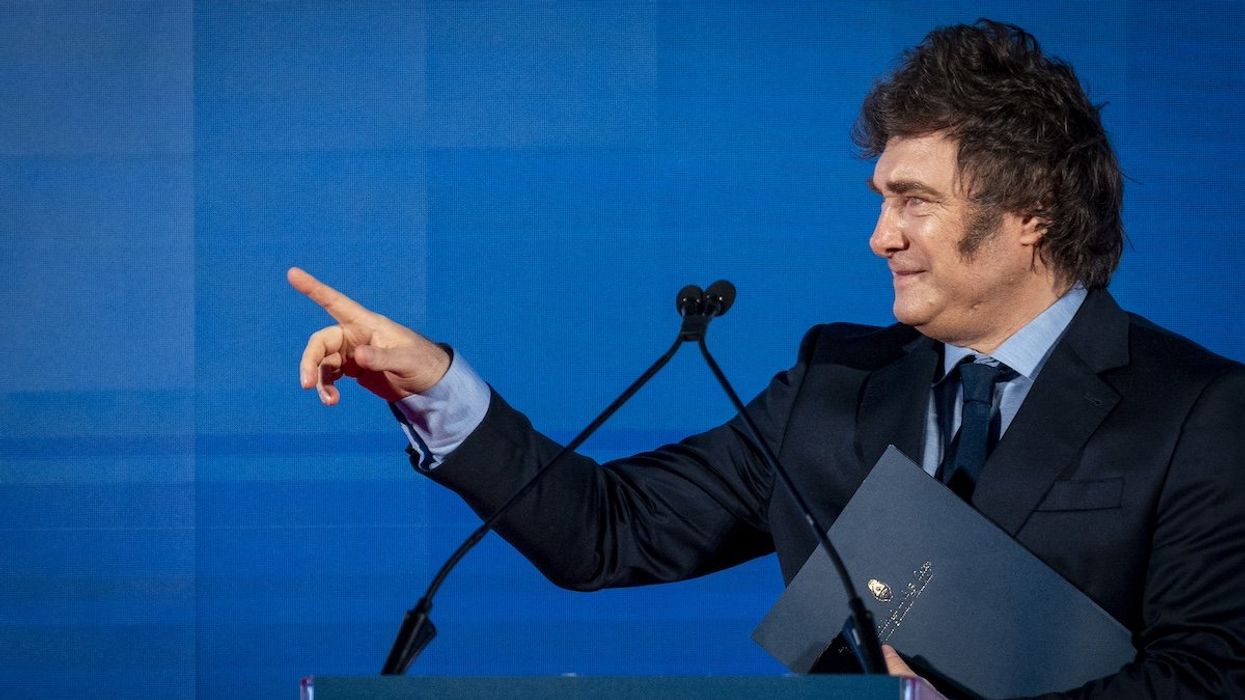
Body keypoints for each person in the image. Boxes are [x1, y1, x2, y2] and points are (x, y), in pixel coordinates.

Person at [290, 20, 1245, 699]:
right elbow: (606, 532)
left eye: (913, 202)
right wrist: (436, 389)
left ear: (1030, 214)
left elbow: (1211, 677)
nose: (880, 237)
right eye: (879, 199)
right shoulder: (832, 390)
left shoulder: (1198, 411)